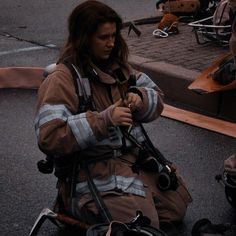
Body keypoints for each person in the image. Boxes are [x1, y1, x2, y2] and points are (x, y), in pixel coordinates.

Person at [34, 0, 192, 231]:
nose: (111, 43)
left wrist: (139, 97)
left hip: (129, 162)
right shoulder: (62, 79)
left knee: (176, 208)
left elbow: (157, 97)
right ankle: (70, 203)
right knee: (144, 226)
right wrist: (104, 120)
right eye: (103, 38)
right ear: (84, 38)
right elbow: (49, 136)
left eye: (113, 36)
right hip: (91, 170)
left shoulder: (118, 69)